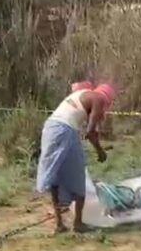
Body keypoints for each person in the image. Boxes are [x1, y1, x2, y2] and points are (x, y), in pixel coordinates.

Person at [36, 83, 114, 233]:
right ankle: (78, 223)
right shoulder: (99, 99)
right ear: (107, 99)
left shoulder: (84, 94)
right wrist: (100, 151)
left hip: (50, 128)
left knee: (56, 176)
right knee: (77, 175)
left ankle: (59, 223)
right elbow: (90, 132)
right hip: (64, 131)